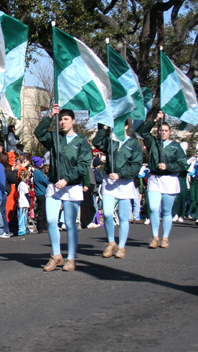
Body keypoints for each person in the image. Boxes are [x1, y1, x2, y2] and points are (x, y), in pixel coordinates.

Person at [34, 106, 92, 272]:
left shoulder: (81, 141)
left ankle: (71, 258)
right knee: (52, 220)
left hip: (71, 186)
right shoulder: (55, 138)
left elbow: (83, 165)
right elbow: (39, 133)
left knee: (69, 223)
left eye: (66, 119)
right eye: (61, 119)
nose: (63, 122)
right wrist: (50, 116)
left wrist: (67, 179)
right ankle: (56, 255)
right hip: (54, 185)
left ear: (73, 121)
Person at [92, 122, 143, 259]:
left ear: (126, 126)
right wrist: (104, 128)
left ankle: (121, 246)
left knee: (123, 216)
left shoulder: (133, 144)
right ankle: (111, 242)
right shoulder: (111, 141)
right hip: (110, 181)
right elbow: (97, 142)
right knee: (107, 213)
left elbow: (136, 165)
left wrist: (121, 174)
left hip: (125, 183)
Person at [137, 111, 188, 249]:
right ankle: (155, 236)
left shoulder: (175, 146)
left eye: (166, 131)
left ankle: (165, 237)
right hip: (154, 178)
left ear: (169, 132)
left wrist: (168, 166)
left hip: (170, 180)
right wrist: (155, 120)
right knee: (153, 208)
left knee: (166, 211)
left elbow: (182, 164)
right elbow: (143, 131)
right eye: (161, 130)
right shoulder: (153, 142)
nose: (163, 133)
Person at [32, 157, 48, 234]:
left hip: (40, 193)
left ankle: (43, 226)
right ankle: (41, 227)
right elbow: (45, 181)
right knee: (43, 211)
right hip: (41, 193)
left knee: (43, 210)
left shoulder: (38, 172)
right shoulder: (38, 173)